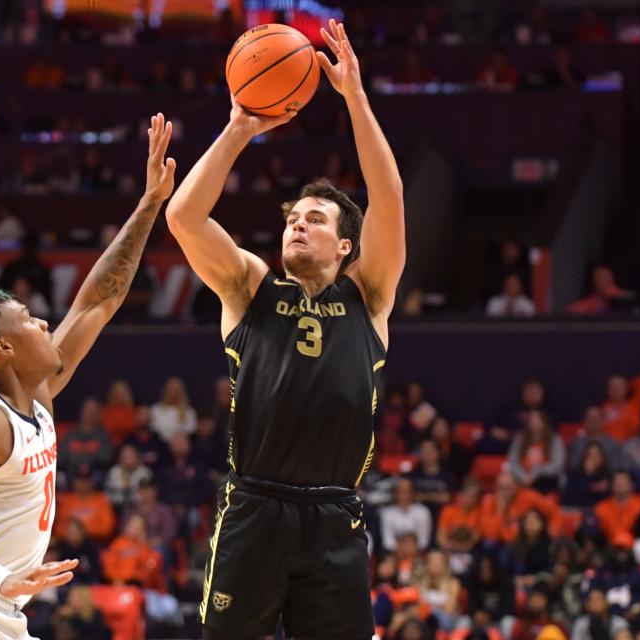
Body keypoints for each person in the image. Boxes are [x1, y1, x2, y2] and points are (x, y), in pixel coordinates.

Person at [0, 113, 178, 638]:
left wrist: (149, 203)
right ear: (2, 346)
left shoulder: (37, 397)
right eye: (27, 318)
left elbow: (99, 299)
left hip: (3, 615)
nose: (44, 321)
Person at [165, 20, 405, 640]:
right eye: (293, 218)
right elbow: (185, 216)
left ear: (345, 245)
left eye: (315, 219)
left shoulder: (368, 295)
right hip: (254, 506)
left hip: (334, 516)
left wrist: (354, 98)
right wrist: (239, 127)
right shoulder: (250, 286)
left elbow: (389, 194)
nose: (297, 225)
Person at [507, 410, 565, 493]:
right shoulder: (519, 439)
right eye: (531, 420)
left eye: (537, 420)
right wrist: (523, 476)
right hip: (522, 479)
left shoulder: (555, 440)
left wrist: (536, 472)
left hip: (545, 480)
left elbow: (557, 465)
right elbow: (513, 462)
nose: (534, 423)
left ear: (544, 422)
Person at [58, 397, 113, 478]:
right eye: (88, 410)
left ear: (99, 414)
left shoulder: (103, 436)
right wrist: (77, 467)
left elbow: (106, 458)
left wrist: (89, 466)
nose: (91, 413)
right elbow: (61, 458)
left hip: (94, 475)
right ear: (81, 412)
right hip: (71, 474)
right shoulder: (69, 435)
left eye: (94, 411)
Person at [594, 471, 640, 545]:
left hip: (636, 548)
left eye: (624, 482)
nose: (620, 485)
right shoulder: (601, 508)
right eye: (617, 483)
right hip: (607, 548)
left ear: (632, 485)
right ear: (611, 486)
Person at [567, 405, 623, 472]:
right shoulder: (576, 444)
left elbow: (616, 469)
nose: (594, 421)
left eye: (597, 418)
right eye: (590, 418)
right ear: (585, 421)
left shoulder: (613, 445)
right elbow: (573, 467)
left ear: (603, 421)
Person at [601, 373, 640, 441]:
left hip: (632, 446)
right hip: (610, 448)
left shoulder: (635, 404)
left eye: (620, 386)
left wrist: (629, 386)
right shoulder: (601, 410)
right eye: (613, 386)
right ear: (608, 389)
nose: (616, 389)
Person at [562, 441, 611, 507]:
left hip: (601, 512)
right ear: (584, 457)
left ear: (602, 457)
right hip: (577, 510)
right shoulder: (574, 474)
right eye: (590, 454)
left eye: (597, 454)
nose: (593, 457)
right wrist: (588, 474)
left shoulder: (607, 475)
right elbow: (571, 496)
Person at [149, 376, 198, 442]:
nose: (173, 393)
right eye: (170, 390)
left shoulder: (189, 411)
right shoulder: (156, 409)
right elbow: (154, 428)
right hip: (160, 444)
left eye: (176, 390)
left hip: (181, 445)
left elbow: (191, 429)